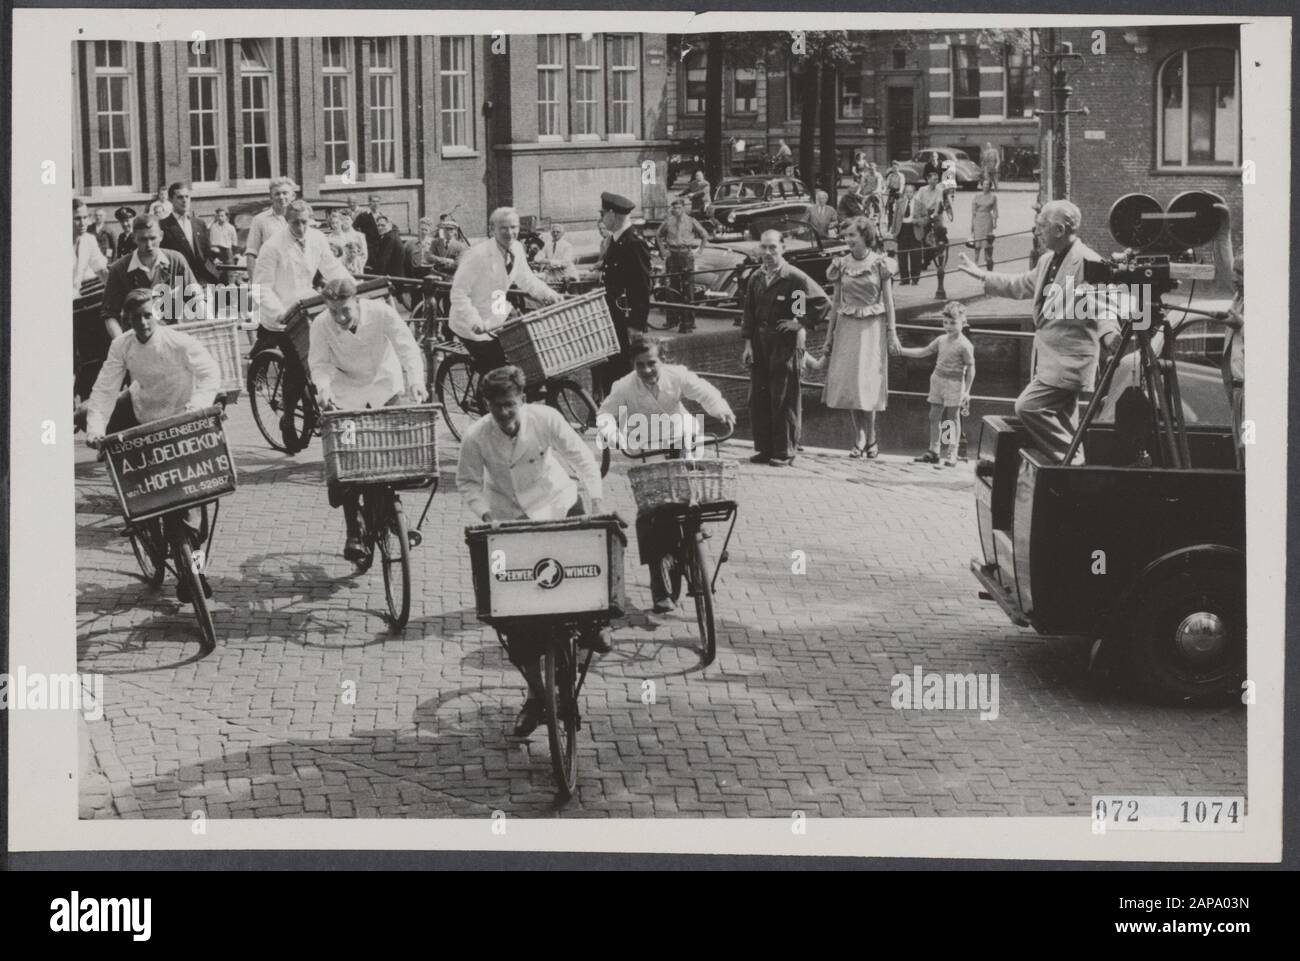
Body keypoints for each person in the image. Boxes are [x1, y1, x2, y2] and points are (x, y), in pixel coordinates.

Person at [456, 365, 610, 737]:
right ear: (486, 406)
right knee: (513, 615)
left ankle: (593, 624)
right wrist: (487, 514)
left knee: (582, 577)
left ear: (522, 400)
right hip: (509, 520)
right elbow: (467, 482)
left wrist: (596, 498)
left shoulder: (546, 418)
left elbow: (580, 457)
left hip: (558, 504)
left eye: (509, 404)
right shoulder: (476, 437)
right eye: (496, 407)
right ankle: (536, 696)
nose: (504, 413)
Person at [83, 288, 222, 603]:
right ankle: (140, 519)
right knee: (132, 468)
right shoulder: (123, 345)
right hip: (142, 411)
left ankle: (196, 572)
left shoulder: (178, 342)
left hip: (180, 417)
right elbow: (105, 388)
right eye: (136, 318)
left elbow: (210, 373)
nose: (143, 323)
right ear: (127, 320)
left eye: (148, 315)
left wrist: (197, 406)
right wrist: (95, 428)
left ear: (157, 313)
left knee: (194, 501)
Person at [956, 199, 1119, 464]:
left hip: (1070, 363)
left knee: (1028, 407)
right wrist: (982, 276)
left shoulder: (1088, 261)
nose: (1037, 231)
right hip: (1050, 361)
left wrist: (1109, 333)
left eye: (1041, 226)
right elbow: (1020, 284)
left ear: (1059, 229)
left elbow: (1104, 305)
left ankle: (1073, 465)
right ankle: (1071, 474)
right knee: (1065, 425)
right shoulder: (1047, 260)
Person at [597, 335, 736, 613]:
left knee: (692, 491)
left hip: (683, 437)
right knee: (652, 515)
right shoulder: (623, 386)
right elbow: (605, 415)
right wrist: (615, 438)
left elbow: (704, 392)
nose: (647, 370)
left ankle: (694, 533)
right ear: (632, 365)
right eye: (640, 365)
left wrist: (721, 411)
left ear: (662, 360)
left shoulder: (677, 375)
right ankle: (661, 589)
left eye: (652, 363)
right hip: (649, 447)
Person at [309, 276, 429, 560]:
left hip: (384, 386)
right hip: (346, 395)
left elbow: (406, 346)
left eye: (345, 310)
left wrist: (416, 381)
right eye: (333, 311)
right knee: (348, 459)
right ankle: (354, 531)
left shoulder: (381, 313)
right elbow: (319, 363)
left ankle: (394, 512)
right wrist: (324, 390)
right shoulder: (320, 324)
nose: (339, 317)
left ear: (356, 302)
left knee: (392, 451)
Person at [252, 199, 351, 450]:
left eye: (305, 222)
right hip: (281, 313)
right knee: (298, 364)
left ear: (311, 220)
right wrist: (279, 313)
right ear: (287, 221)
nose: (301, 227)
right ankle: (287, 419)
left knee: (332, 350)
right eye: (296, 222)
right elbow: (261, 287)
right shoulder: (272, 246)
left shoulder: (317, 238)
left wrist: (352, 290)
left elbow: (333, 268)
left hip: (308, 305)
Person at [741, 229, 831, 467]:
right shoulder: (756, 278)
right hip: (760, 343)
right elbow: (748, 313)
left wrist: (799, 322)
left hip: (783, 343)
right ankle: (764, 447)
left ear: (783, 248)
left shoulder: (794, 278)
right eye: (764, 247)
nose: (768, 253)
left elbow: (819, 303)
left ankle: (784, 450)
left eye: (773, 247)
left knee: (783, 397)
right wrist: (748, 344)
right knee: (758, 398)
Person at [818, 217, 901, 460]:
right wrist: (828, 336)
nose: (848, 240)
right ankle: (859, 436)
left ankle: (872, 435)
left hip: (872, 327)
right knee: (851, 383)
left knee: (867, 383)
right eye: (846, 236)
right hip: (847, 327)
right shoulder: (840, 264)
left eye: (852, 236)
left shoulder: (880, 264)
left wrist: (892, 332)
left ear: (865, 237)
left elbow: (888, 301)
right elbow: (835, 302)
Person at [448, 206, 563, 374]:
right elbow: (458, 293)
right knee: (498, 370)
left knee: (530, 354)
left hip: (498, 313)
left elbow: (526, 279)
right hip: (472, 323)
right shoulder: (477, 255)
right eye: (503, 228)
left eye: (513, 227)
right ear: (492, 229)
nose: (509, 232)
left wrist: (549, 294)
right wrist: (474, 321)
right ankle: (489, 398)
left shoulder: (516, 248)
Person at [897, 301, 976, 467]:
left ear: (963, 321)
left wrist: (967, 391)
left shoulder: (965, 345)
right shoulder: (941, 340)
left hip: (954, 383)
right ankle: (934, 450)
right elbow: (924, 351)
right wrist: (902, 350)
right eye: (945, 323)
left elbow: (971, 368)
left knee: (951, 418)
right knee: (934, 416)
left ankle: (951, 453)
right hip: (937, 380)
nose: (948, 327)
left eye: (953, 323)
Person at [101, 215, 199, 336]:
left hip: (173, 336)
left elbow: (195, 301)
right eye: (143, 239)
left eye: (153, 238)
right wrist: (122, 344)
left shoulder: (176, 261)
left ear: (161, 236)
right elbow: (110, 315)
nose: (149, 245)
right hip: (136, 339)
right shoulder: (119, 269)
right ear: (133, 238)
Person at [597, 191, 652, 394]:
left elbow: (642, 287)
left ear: (612, 214)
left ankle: (628, 422)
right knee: (613, 374)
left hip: (625, 321)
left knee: (625, 376)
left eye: (603, 214)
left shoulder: (633, 243)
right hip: (613, 319)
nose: (601, 218)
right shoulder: (615, 240)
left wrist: (636, 325)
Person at [1211, 203, 1245, 469]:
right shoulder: (1240, 297)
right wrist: (1223, 230)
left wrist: (1241, 324)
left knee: (1251, 458)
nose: (1235, 278)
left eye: (1241, 274)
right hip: (1238, 391)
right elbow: (1226, 267)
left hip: (1252, 392)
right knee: (1240, 456)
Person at [656, 198, 709, 333]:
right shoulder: (668, 221)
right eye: (674, 208)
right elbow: (658, 235)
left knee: (688, 288)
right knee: (671, 288)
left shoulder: (691, 221)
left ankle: (689, 322)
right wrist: (663, 250)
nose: (676, 210)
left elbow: (704, 235)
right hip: (672, 255)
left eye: (678, 207)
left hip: (686, 255)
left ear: (683, 208)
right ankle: (672, 320)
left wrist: (699, 251)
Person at [158, 182, 218, 284]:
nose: (185, 200)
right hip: (179, 282)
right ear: (171, 200)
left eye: (187, 196)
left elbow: (207, 253)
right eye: (180, 197)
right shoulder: (163, 226)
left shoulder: (200, 223)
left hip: (203, 281)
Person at [244, 176, 298, 276]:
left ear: (293, 196)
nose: (281, 197)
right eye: (277, 194)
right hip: (269, 278)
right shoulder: (260, 220)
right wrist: (255, 287)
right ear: (271, 197)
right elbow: (251, 254)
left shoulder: (300, 220)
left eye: (285, 193)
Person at [913, 163, 951, 299]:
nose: (936, 181)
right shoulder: (922, 190)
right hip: (924, 212)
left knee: (939, 228)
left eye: (937, 179)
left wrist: (933, 215)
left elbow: (939, 204)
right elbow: (917, 203)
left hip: (936, 213)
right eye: (933, 179)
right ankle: (926, 257)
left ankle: (942, 241)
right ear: (927, 180)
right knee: (921, 233)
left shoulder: (939, 190)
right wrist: (918, 216)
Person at [73, 198, 108, 292]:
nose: (82, 223)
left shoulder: (89, 240)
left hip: (83, 293)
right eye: (77, 218)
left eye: (85, 217)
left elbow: (100, 269)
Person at [890, 184, 921, 286]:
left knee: (915, 255)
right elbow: (895, 217)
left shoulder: (919, 204)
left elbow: (926, 218)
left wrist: (917, 221)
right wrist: (893, 231)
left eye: (910, 192)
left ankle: (915, 278)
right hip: (902, 230)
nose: (908, 194)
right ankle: (904, 279)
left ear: (914, 193)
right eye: (906, 192)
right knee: (902, 255)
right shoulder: (900, 202)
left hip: (913, 230)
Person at [326, 207, 369, 276]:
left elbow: (364, 255)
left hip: (356, 268)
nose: (345, 222)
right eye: (342, 219)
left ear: (352, 220)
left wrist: (357, 266)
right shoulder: (339, 235)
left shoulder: (359, 235)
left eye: (347, 219)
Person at [969, 178, 999, 272]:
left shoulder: (993, 197)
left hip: (987, 219)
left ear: (990, 186)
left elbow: (995, 210)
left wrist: (995, 222)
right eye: (984, 184)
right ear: (981, 186)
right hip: (978, 219)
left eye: (987, 185)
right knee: (977, 242)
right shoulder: (977, 196)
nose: (985, 186)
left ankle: (988, 261)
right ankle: (976, 263)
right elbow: (973, 211)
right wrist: (972, 224)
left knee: (987, 243)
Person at [351, 194, 383, 270]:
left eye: (377, 202)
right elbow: (353, 228)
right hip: (369, 247)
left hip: (380, 248)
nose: (375, 204)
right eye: (373, 201)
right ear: (369, 203)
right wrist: (361, 237)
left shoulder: (381, 216)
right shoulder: (363, 216)